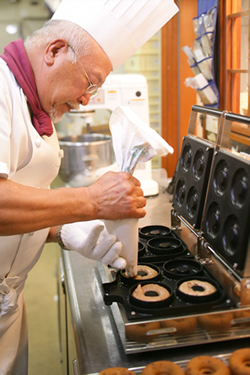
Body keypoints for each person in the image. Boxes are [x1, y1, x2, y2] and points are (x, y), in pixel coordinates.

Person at [0, 0, 178, 373]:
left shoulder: (34, 106)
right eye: (91, 82)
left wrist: (59, 231)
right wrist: (91, 201)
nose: (86, 100)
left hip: (10, 304)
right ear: (55, 51)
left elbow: (19, 196)